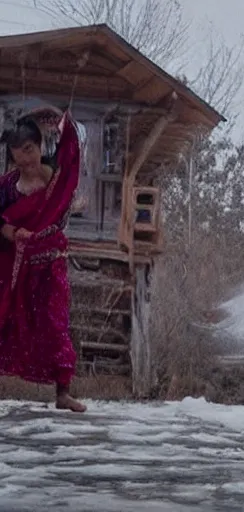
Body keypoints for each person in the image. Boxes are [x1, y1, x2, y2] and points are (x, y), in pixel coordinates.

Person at [0, 106, 86, 413]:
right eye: (17, 154)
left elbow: (74, 149)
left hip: (51, 263)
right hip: (16, 264)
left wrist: (59, 120)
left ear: (39, 146)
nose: (24, 159)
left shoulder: (58, 179)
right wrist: (13, 233)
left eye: (29, 150)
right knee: (5, 320)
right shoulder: (8, 186)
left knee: (55, 324)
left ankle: (62, 392)